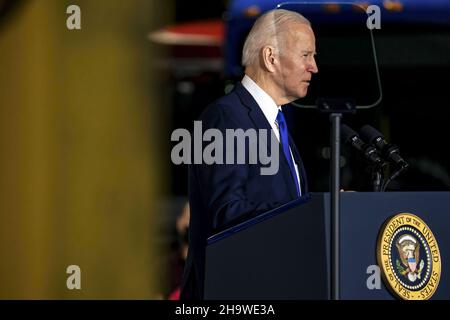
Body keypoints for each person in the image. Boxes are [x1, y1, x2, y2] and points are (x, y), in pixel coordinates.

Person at [180, 8, 318, 300]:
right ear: (270, 58)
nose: (314, 67)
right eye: (306, 55)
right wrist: (313, 211)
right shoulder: (224, 118)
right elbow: (226, 212)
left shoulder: (277, 124)